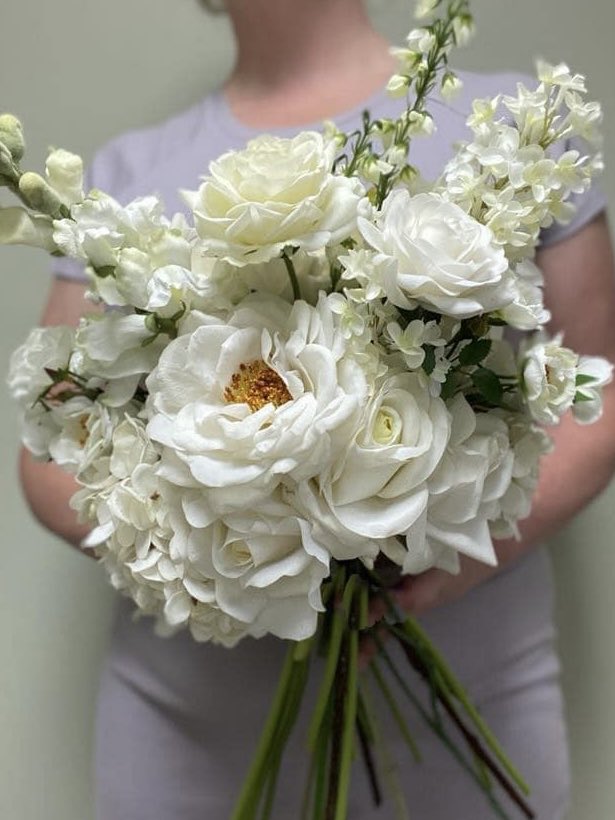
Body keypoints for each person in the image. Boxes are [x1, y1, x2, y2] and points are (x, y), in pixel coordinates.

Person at [18, 0, 615, 817]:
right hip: (182, 727)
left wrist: (429, 563)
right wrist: (225, 555)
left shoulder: (522, 139)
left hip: (476, 700)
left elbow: (595, 400)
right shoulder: (124, 179)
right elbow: (49, 448)